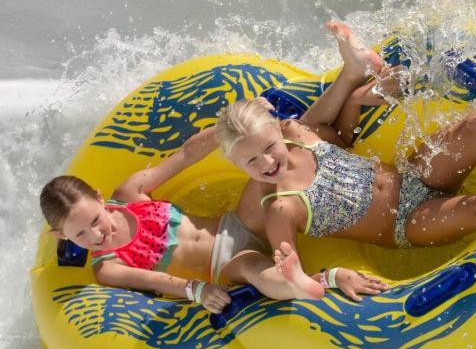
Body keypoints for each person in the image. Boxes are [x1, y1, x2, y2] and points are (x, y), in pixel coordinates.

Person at [216, 20, 476, 293]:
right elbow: (292, 279)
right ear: (236, 168)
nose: (267, 163)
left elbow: (340, 138)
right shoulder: (279, 210)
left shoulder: (295, 133)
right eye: (252, 162)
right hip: (407, 223)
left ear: (276, 126)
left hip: (412, 175)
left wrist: (359, 98)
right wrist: (333, 278)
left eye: (267, 148)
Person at [40, 126, 389, 314]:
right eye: (81, 235)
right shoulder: (108, 267)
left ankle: (364, 173)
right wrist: (198, 290)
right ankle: (318, 280)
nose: (97, 234)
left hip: (236, 223)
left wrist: (231, 128)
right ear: (61, 236)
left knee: (273, 161)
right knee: (255, 268)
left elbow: (186, 155)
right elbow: (157, 279)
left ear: (101, 199)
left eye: (95, 219)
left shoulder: (130, 194)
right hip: (223, 266)